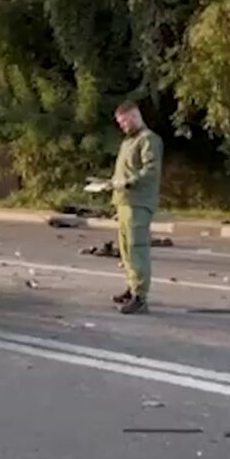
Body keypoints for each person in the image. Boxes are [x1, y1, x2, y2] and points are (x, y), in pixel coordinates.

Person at [88, 101, 163, 314]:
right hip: (123, 203)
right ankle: (131, 288)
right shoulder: (128, 143)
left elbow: (150, 170)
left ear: (133, 116)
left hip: (138, 203)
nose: (122, 126)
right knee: (125, 250)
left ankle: (140, 296)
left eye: (123, 121)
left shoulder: (148, 140)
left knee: (136, 248)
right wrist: (110, 183)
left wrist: (126, 182)